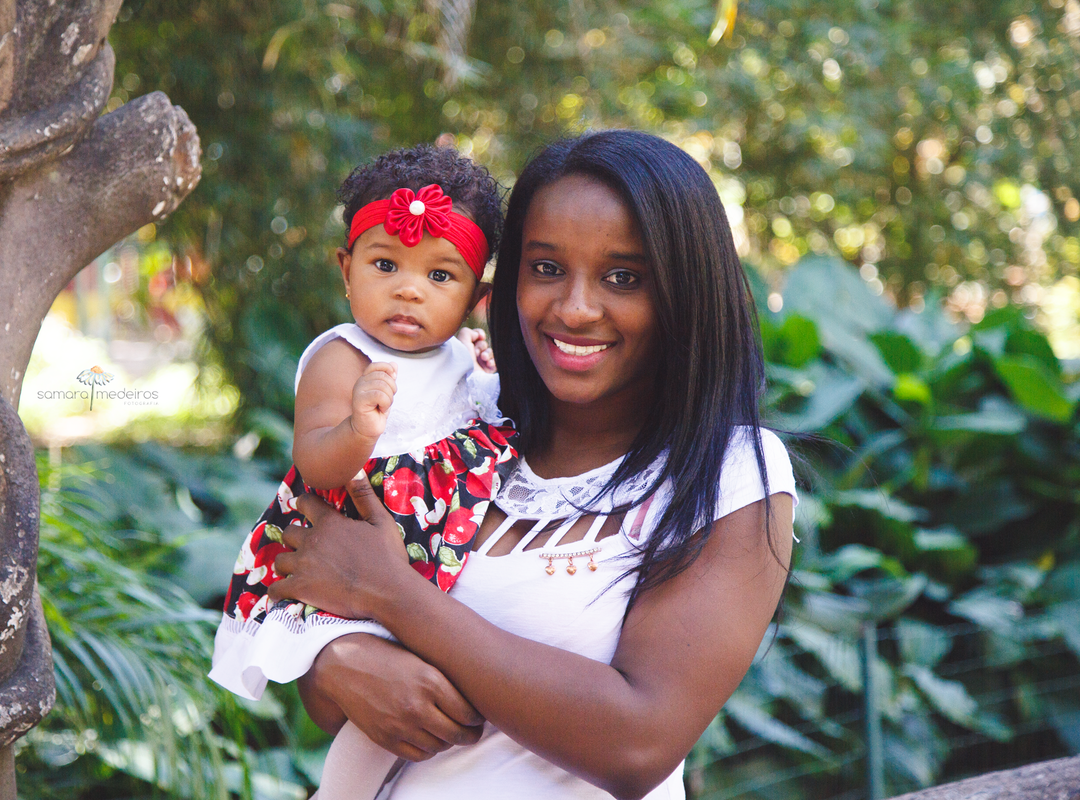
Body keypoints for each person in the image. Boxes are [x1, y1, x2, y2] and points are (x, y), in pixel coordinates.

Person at [265, 130, 798, 800]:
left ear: (686, 293)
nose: (574, 308)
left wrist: (394, 597)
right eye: (546, 268)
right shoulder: (453, 423)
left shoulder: (727, 474)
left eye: (623, 277)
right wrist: (335, 658)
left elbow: (638, 742)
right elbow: (315, 618)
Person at [208, 145, 518, 800]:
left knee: (444, 706)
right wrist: (359, 429)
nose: (409, 289)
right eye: (385, 265)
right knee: (375, 723)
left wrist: (489, 369)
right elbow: (313, 460)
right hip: (351, 559)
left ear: (475, 298)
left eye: (441, 277)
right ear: (346, 270)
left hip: (440, 565)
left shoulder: (467, 355)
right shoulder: (342, 357)